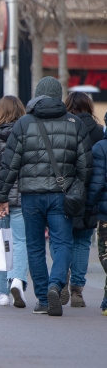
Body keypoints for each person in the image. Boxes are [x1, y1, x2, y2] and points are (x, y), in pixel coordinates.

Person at [0, 76, 92, 317]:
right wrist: (77, 187)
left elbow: (10, 165)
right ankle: (55, 285)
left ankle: (42, 299)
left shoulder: (24, 123)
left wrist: (2, 196)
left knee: (35, 246)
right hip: (62, 195)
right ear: (59, 96)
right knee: (62, 243)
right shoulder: (74, 123)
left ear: (37, 94)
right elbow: (85, 165)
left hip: (30, 196)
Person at [0, 96, 29, 308]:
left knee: (1, 244)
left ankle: (2, 293)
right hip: (21, 198)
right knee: (20, 241)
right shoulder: (26, 136)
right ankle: (17, 281)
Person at [62, 91, 102, 306]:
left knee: (63, 239)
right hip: (90, 196)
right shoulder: (99, 132)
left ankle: (61, 280)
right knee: (83, 243)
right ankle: (77, 290)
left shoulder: (64, 129)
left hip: (65, 193)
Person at [85, 112, 107, 315]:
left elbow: (98, 181)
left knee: (105, 254)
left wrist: (89, 205)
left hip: (105, 214)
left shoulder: (100, 147)